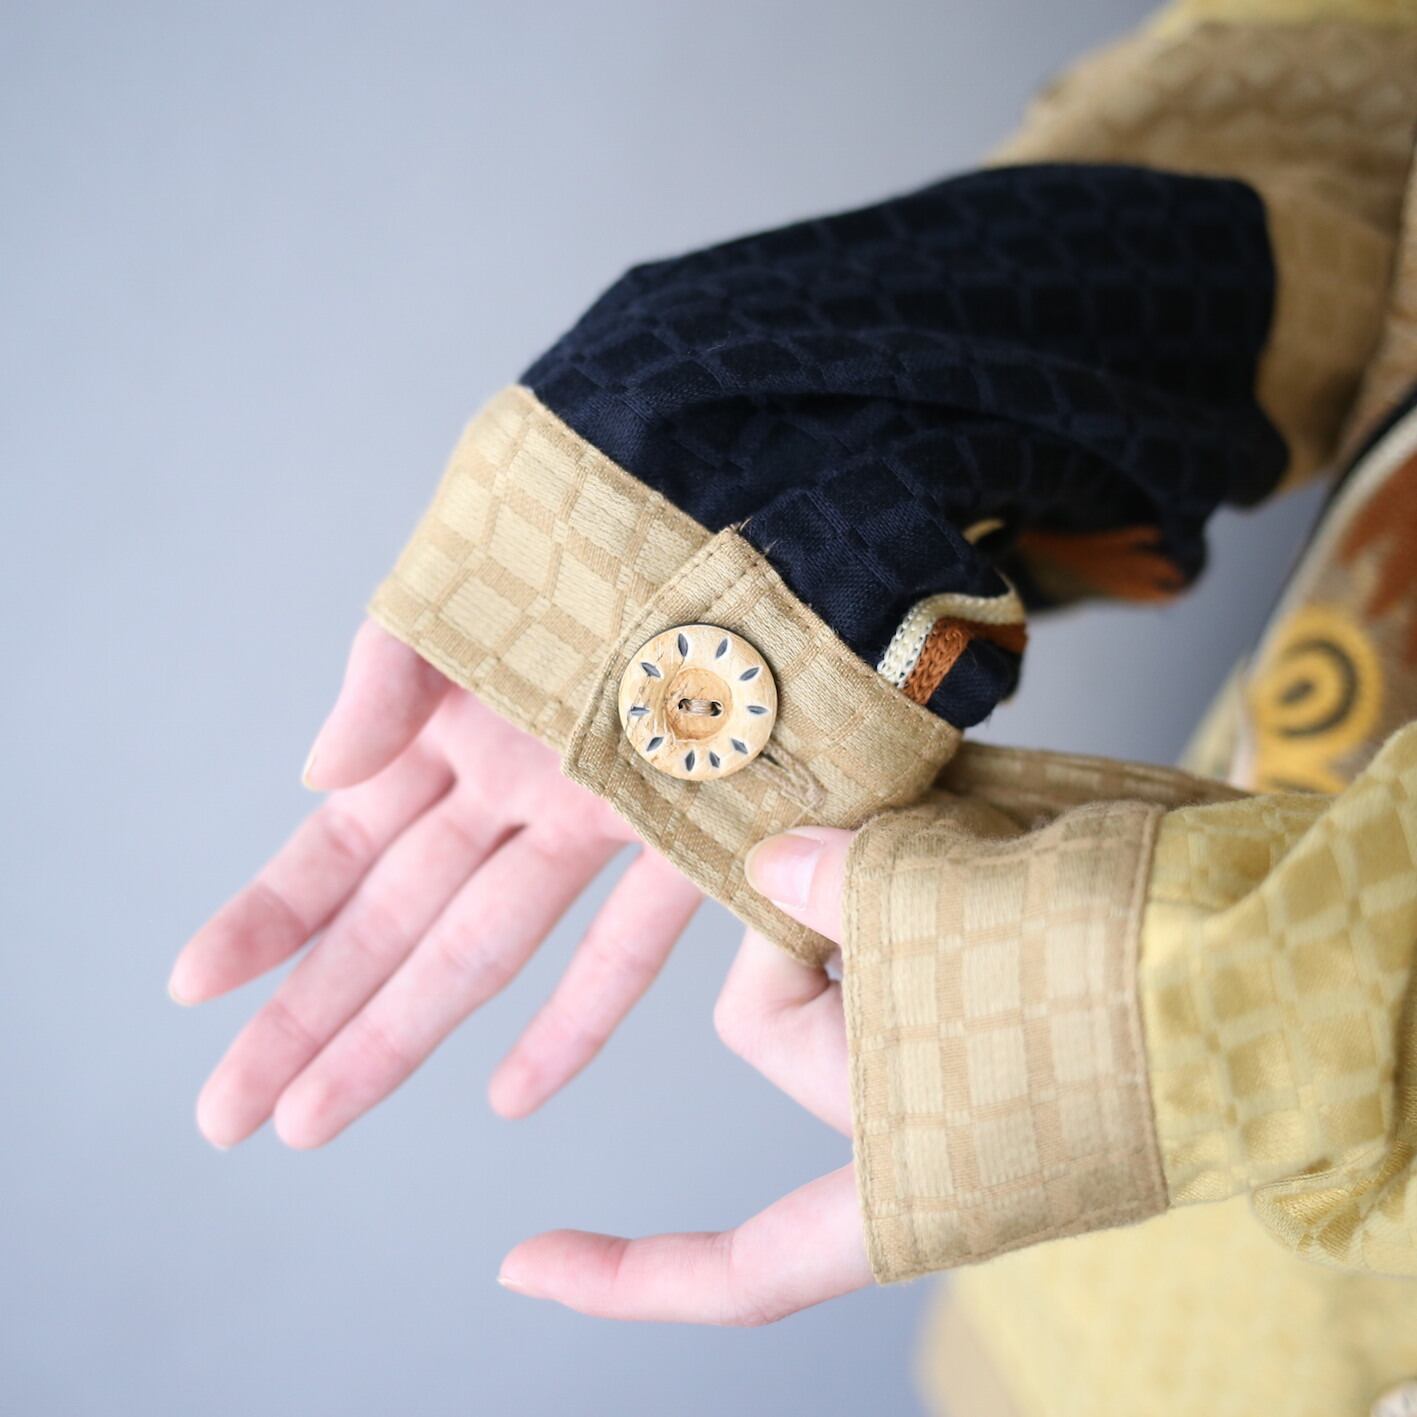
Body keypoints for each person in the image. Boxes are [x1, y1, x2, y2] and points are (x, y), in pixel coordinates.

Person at [170, 1, 1417, 1412]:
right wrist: (752, 453)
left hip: (1137, 1187)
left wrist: (1270, 1014)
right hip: (1133, 1321)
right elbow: (1348, 138)